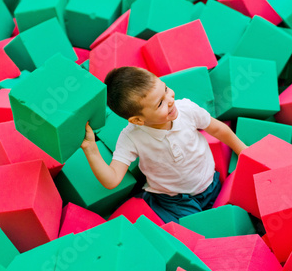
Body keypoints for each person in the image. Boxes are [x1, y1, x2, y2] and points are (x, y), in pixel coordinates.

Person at [81, 66, 247, 223]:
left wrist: (242, 150)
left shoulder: (187, 109)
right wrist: (91, 149)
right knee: (196, 231)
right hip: (174, 200)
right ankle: (147, 200)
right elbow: (112, 180)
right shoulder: (131, 137)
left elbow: (218, 129)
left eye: (166, 89)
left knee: (230, 215)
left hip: (210, 184)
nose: (170, 100)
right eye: (160, 103)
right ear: (138, 120)